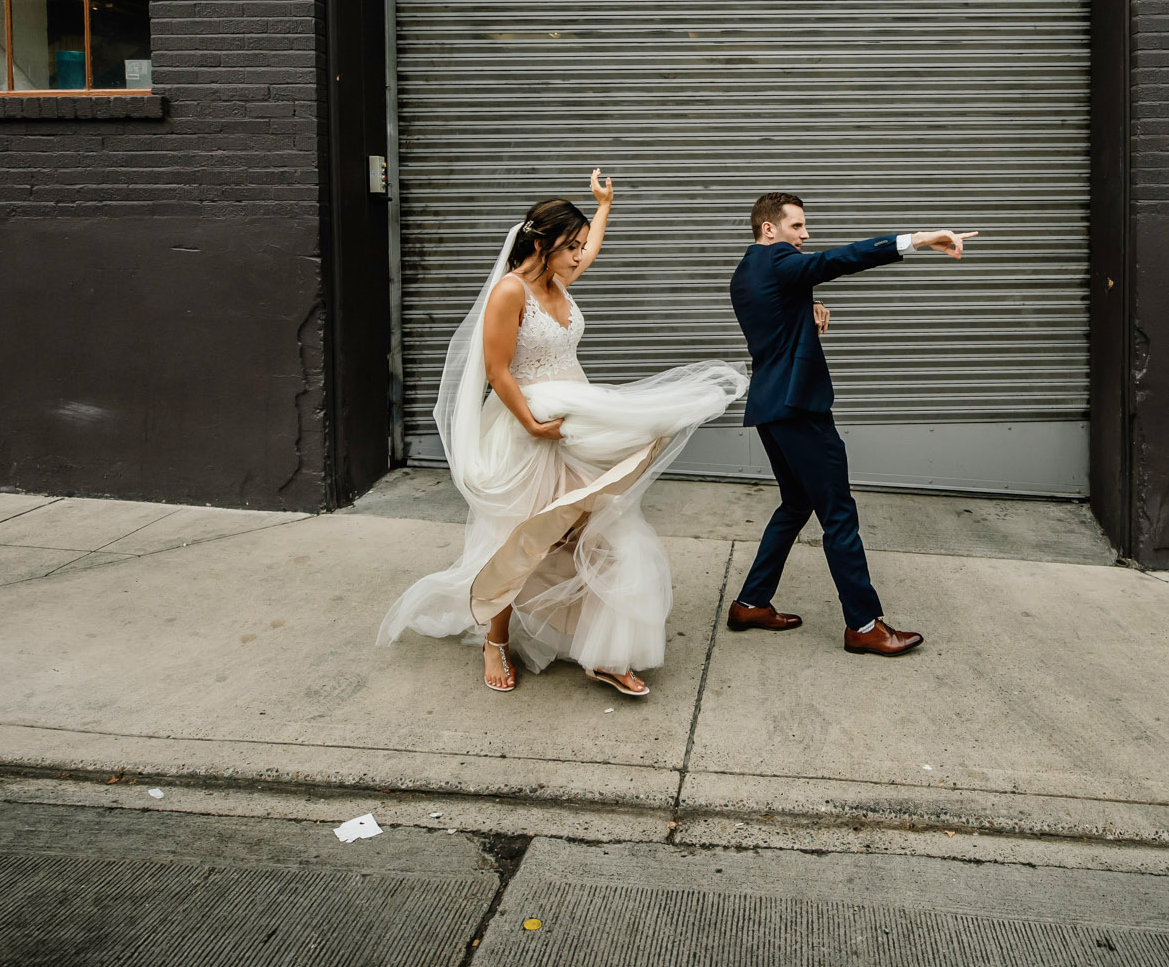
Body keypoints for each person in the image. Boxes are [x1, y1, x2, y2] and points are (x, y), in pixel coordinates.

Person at [377, 171, 746, 697]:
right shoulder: (511, 291)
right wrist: (529, 422)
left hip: (576, 423)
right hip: (527, 428)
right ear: (542, 244)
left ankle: (607, 653)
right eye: (569, 247)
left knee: (603, 532)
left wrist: (605, 207)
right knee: (520, 541)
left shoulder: (558, 283)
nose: (579, 257)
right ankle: (495, 641)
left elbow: (592, 248)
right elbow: (498, 369)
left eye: (577, 247)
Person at [725, 192, 974, 656]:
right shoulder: (781, 260)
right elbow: (842, 259)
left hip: (769, 405)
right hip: (800, 408)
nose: (805, 235)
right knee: (837, 512)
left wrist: (806, 312)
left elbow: (775, 323)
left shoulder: (745, 272)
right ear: (768, 230)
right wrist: (917, 239)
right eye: (797, 226)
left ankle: (751, 602)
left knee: (796, 504)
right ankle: (862, 624)